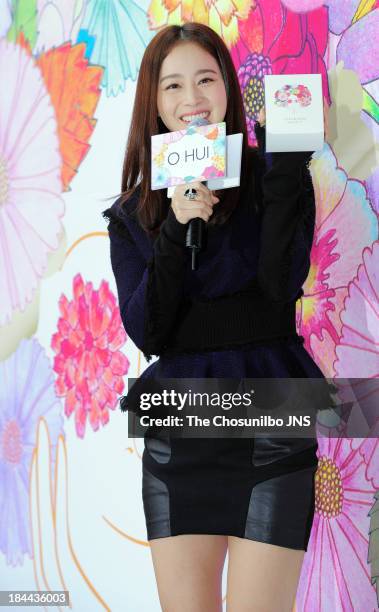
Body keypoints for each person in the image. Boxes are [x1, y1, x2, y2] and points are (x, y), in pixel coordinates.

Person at [103, 22, 327, 612]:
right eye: (173, 86)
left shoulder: (271, 176)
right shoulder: (133, 213)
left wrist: (283, 176)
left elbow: (282, 290)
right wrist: (176, 229)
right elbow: (150, 332)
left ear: (227, 86)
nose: (192, 99)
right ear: (153, 102)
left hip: (274, 426)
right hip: (180, 437)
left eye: (205, 79)